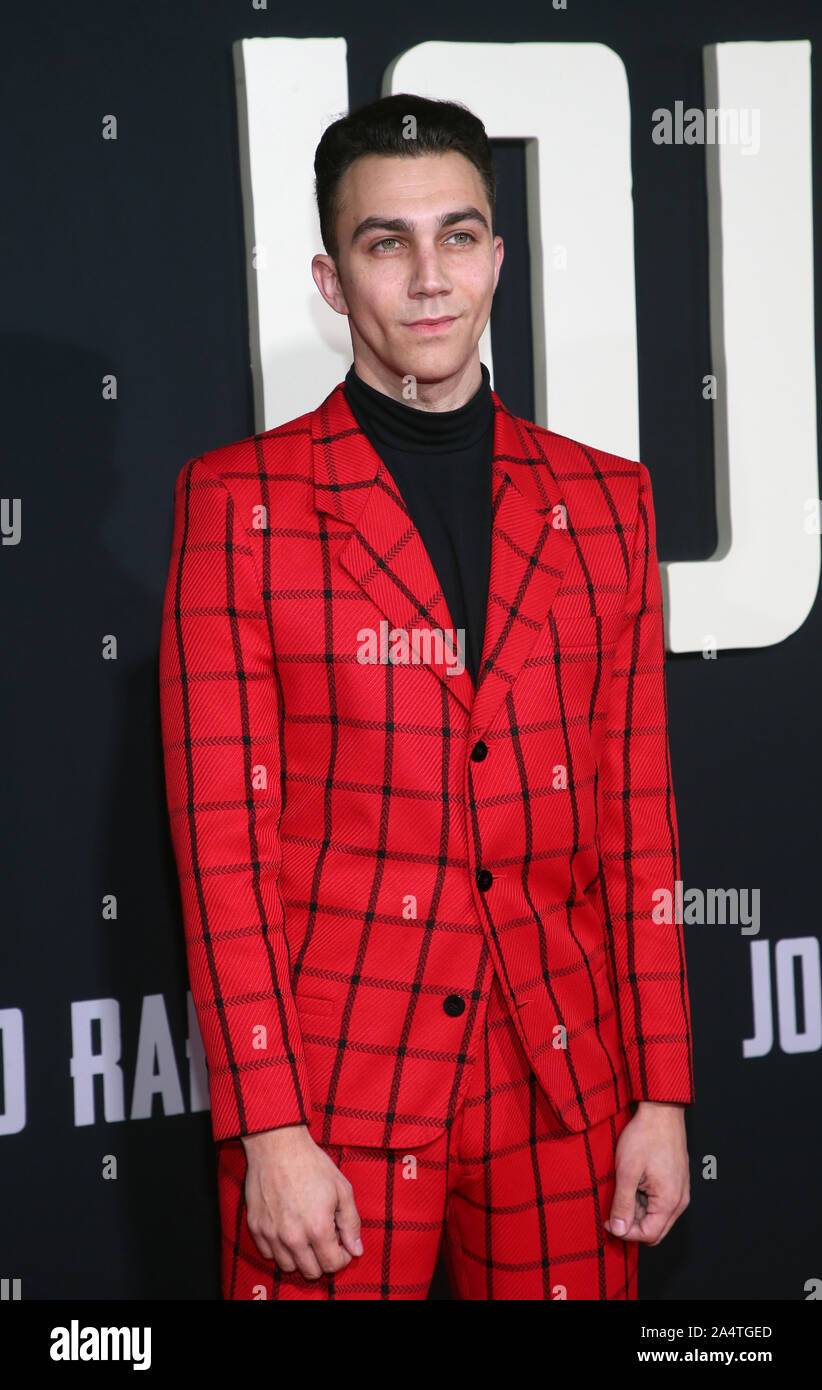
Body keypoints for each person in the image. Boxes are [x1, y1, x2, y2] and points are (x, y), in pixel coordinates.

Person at [158, 93, 695, 1301]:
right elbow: (221, 850)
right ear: (331, 276)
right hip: (337, 1089)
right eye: (385, 241)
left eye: (458, 235)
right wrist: (269, 1131)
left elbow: (638, 822)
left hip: (567, 1084)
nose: (429, 276)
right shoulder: (240, 503)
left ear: (498, 256)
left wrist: (661, 1090)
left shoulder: (609, 499)